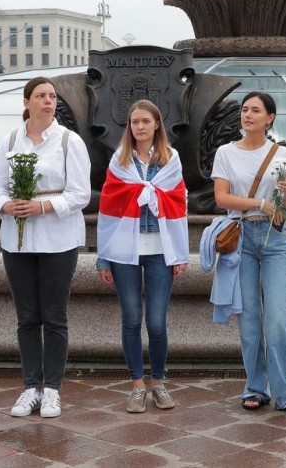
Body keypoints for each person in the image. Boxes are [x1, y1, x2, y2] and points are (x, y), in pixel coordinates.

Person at [0, 77, 91, 418]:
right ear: (26, 102)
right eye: (40, 96)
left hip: (57, 238)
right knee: (27, 316)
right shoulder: (10, 140)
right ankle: (30, 386)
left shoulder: (68, 141)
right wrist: (6, 206)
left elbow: (80, 194)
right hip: (16, 241)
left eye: (52, 96)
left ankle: (52, 390)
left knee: (55, 315)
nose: (48, 101)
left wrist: (42, 206)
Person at [212, 91, 286, 415]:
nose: (247, 115)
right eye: (244, 109)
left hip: (275, 237)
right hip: (241, 237)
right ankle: (255, 388)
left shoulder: (283, 154)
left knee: (279, 319)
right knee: (249, 318)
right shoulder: (226, 152)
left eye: (255, 110)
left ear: (270, 118)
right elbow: (222, 198)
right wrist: (259, 203)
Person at [96, 100, 189, 413]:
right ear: (130, 127)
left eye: (145, 121)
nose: (139, 126)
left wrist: (180, 252)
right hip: (124, 250)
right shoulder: (119, 160)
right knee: (132, 318)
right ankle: (137, 384)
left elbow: (178, 205)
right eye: (134, 121)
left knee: (157, 322)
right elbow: (108, 209)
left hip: (161, 251)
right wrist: (103, 257)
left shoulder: (171, 160)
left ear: (156, 124)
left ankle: (159, 382)